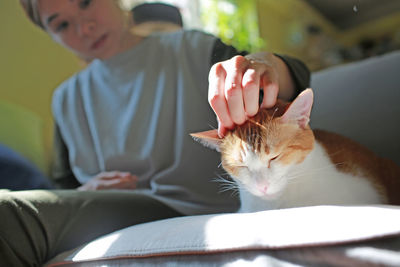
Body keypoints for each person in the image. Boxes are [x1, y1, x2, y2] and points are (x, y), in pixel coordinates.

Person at [0, 0, 310, 265]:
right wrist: (84, 195)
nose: (84, 27)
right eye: (62, 25)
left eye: (86, 1)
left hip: (199, 206)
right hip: (111, 217)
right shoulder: (66, 99)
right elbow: (62, 184)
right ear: (51, 36)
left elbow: (290, 80)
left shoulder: (192, 49)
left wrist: (262, 64)